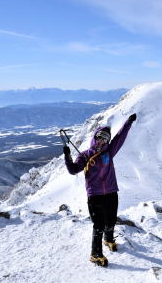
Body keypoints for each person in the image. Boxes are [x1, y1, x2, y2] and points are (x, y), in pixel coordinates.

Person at [63, 113, 136, 267]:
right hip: (95, 195)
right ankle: (95, 253)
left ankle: (108, 239)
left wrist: (128, 122)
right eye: (100, 137)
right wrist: (68, 158)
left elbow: (120, 137)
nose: (102, 140)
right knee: (99, 225)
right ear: (95, 137)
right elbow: (73, 170)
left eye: (105, 138)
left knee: (111, 219)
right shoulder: (85, 155)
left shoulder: (109, 152)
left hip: (111, 192)